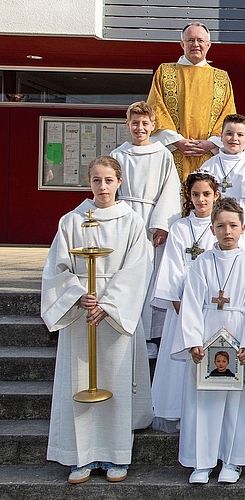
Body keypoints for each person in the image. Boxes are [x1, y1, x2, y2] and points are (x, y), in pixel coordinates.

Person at [41, 156, 153, 484]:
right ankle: (82, 457)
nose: (102, 187)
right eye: (96, 180)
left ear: (120, 182)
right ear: (88, 183)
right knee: (80, 382)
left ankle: (117, 455)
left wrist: (110, 302)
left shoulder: (131, 222)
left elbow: (137, 267)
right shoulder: (72, 221)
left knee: (115, 383)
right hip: (81, 314)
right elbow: (55, 269)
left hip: (116, 314)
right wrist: (77, 295)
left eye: (108, 180)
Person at [173, 197, 245, 485]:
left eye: (233, 225)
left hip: (239, 337)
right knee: (204, 399)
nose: (227, 231)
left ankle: (232, 460)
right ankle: (201, 461)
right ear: (212, 229)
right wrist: (192, 341)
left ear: (242, 228)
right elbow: (190, 303)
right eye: (221, 226)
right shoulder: (201, 262)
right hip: (206, 337)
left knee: (236, 402)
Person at [110, 101, 182, 356]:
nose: (140, 128)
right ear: (127, 124)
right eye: (135, 123)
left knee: (150, 277)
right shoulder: (118, 155)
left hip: (151, 221)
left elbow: (170, 190)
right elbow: (111, 191)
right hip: (126, 218)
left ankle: (149, 336)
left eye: (145, 123)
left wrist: (161, 225)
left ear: (153, 125)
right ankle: (126, 328)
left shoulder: (162, 154)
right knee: (126, 275)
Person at [151, 172, 219, 433]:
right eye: (195, 195)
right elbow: (171, 268)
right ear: (188, 198)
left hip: (212, 305)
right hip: (183, 306)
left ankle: (206, 414)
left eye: (206, 194)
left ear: (216, 195)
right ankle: (176, 411)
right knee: (180, 361)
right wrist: (182, 307)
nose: (201, 200)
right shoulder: (180, 227)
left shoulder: (221, 224)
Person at [147, 22, 236, 179]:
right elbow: (155, 110)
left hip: (209, 156)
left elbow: (228, 115)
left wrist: (212, 143)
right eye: (190, 40)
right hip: (173, 155)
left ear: (208, 45)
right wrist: (177, 141)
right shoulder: (165, 72)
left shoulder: (221, 78)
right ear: (182, 44)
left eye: (200, 40)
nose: (196, 44)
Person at [197, 114, 245, 203]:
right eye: (229, 134)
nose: (234, 138)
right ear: (221, 136)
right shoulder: (208, 166)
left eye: (240, 135)